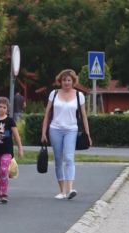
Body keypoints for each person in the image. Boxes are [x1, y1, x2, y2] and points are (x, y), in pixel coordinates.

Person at [40, 69, 92, 200]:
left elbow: (84, 116)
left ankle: (70, 189)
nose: (66, 82)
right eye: (64, 80)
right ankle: (62, 191)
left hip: (71, 129)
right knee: (58, 159)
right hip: (55, 129)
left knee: (69, 158)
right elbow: (47, 114)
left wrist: (88, 133)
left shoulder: (79, 96)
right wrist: (43, 132)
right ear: (60, 81)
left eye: (69, 80)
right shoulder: (54, 93)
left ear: (73, 81)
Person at [0, 97, 24, 204]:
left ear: (7, 109)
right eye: (0, 106)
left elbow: (16, 135)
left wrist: (20, 148)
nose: (2, 109)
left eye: (4, 107)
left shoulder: (9, 121)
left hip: (7, 151)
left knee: (4, 170)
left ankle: (4, 193)